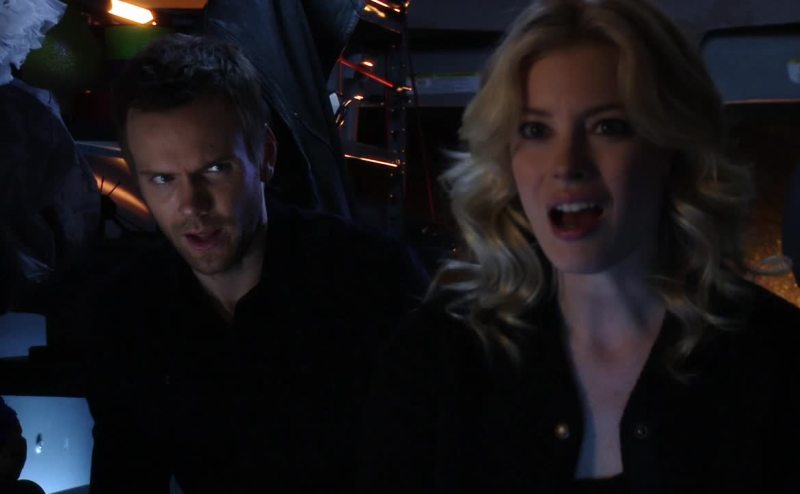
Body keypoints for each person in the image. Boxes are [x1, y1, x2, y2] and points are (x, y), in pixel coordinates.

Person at [357, 0, 800, 492]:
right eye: (536, 130)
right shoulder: (438, 355)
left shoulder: (776, 361)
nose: (567, 165)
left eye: (607, 127)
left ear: (671, 146)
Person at [86, 34, 428, 493]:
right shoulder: (128, 314)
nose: (191, 205)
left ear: (265, 156)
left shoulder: (375, 281)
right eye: (163, 179)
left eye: (214, 169)